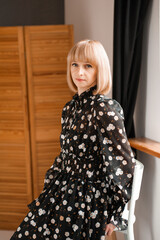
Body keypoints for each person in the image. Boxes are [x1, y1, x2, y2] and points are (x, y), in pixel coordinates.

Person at [10, 39, 136, 240]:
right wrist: (50, 188)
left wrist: (116, 213)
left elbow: (122, 164)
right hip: (64, 187)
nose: (79, 72)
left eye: (88, 66)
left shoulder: (105, 109)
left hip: (90, 196)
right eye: (74, 65)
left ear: (99, 70)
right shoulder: (69, 109)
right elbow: (65, 155)